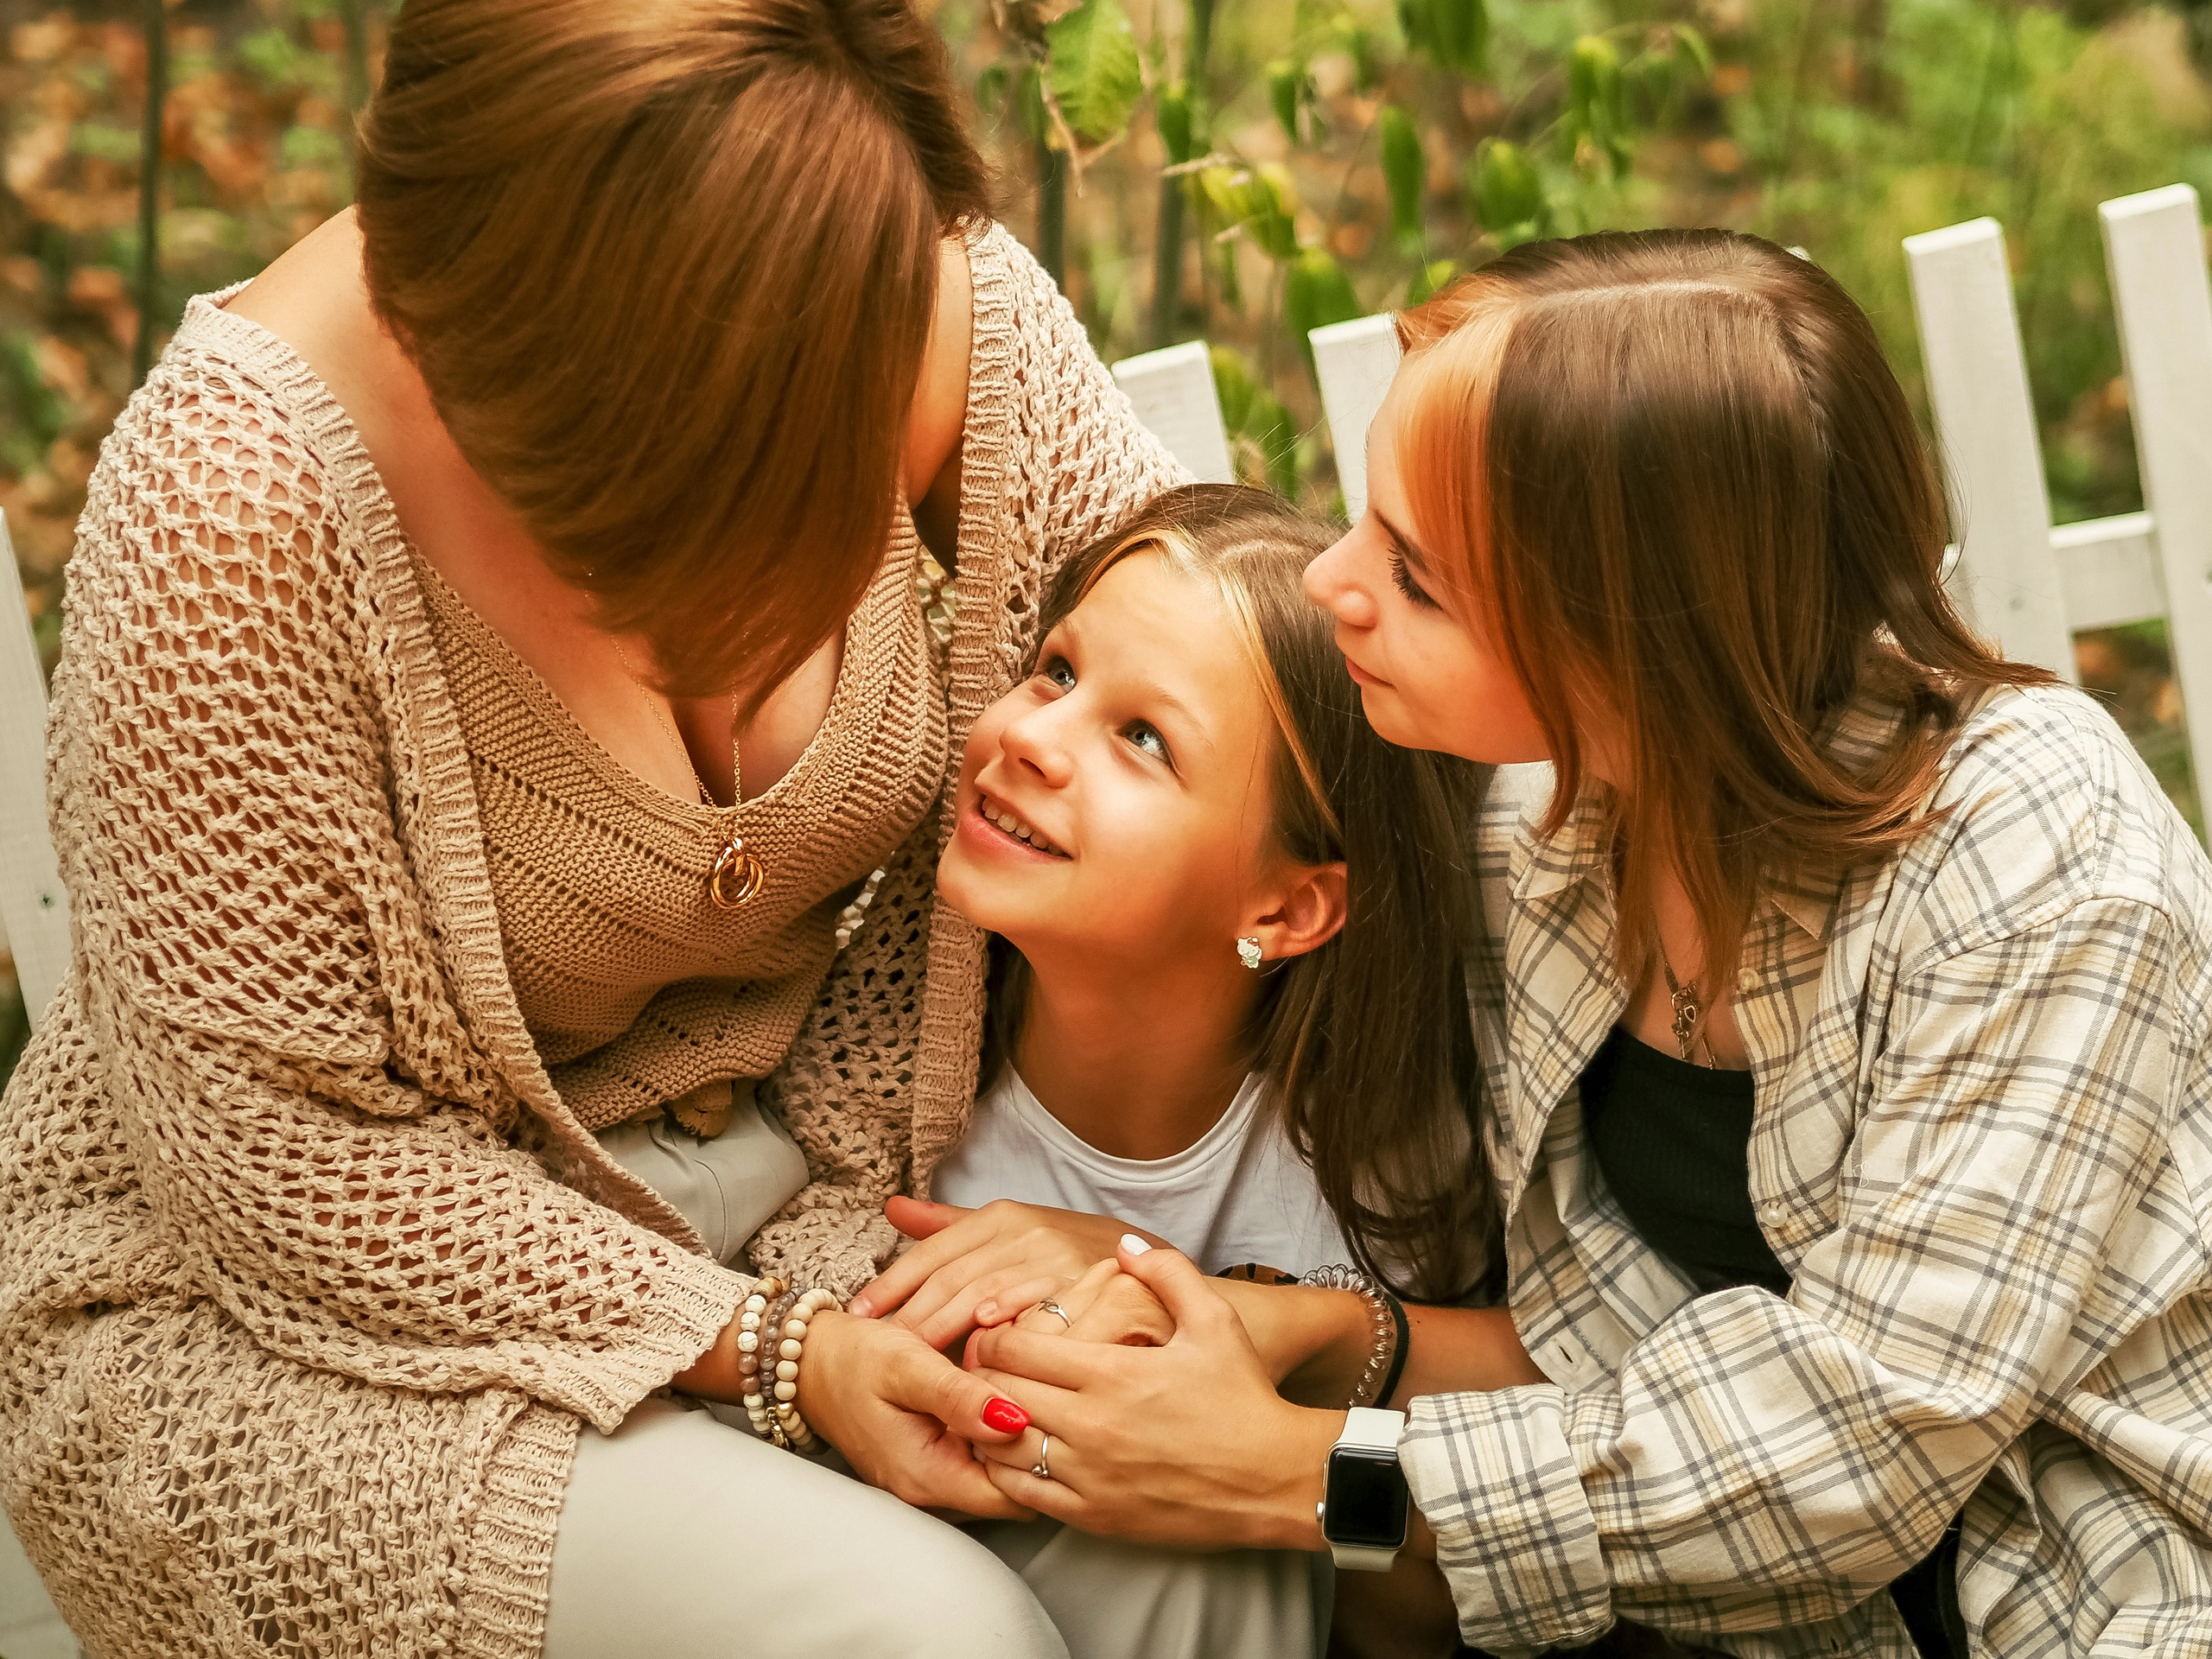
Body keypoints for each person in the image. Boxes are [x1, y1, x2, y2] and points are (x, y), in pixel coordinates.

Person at [0, 1, 1194, 1655]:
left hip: (814, 1187)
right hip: (291, 1307)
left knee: (1189, 1545)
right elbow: (286, 1160)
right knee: (916, 1635)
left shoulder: (898, 290)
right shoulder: (238, 506)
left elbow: (1196, 689)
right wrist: (773, 1354)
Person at [899, 230, 2212, 1659]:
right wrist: (1291, 1326)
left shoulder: (2034, 853)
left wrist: (1282, 1472)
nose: (1335, 584)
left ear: (1637, 644)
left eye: (1416, 578)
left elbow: (1852, 1454)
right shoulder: (1551, 829)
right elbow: (1612, 1357)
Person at [920, 483, 1507, 1652]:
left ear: (1289, 907)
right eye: (1056, 671)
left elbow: (1424, 1610)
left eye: (1143, 738)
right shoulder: (901, 1100)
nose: (1031, 736)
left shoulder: (1371, 1157)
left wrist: (1242, 1325)